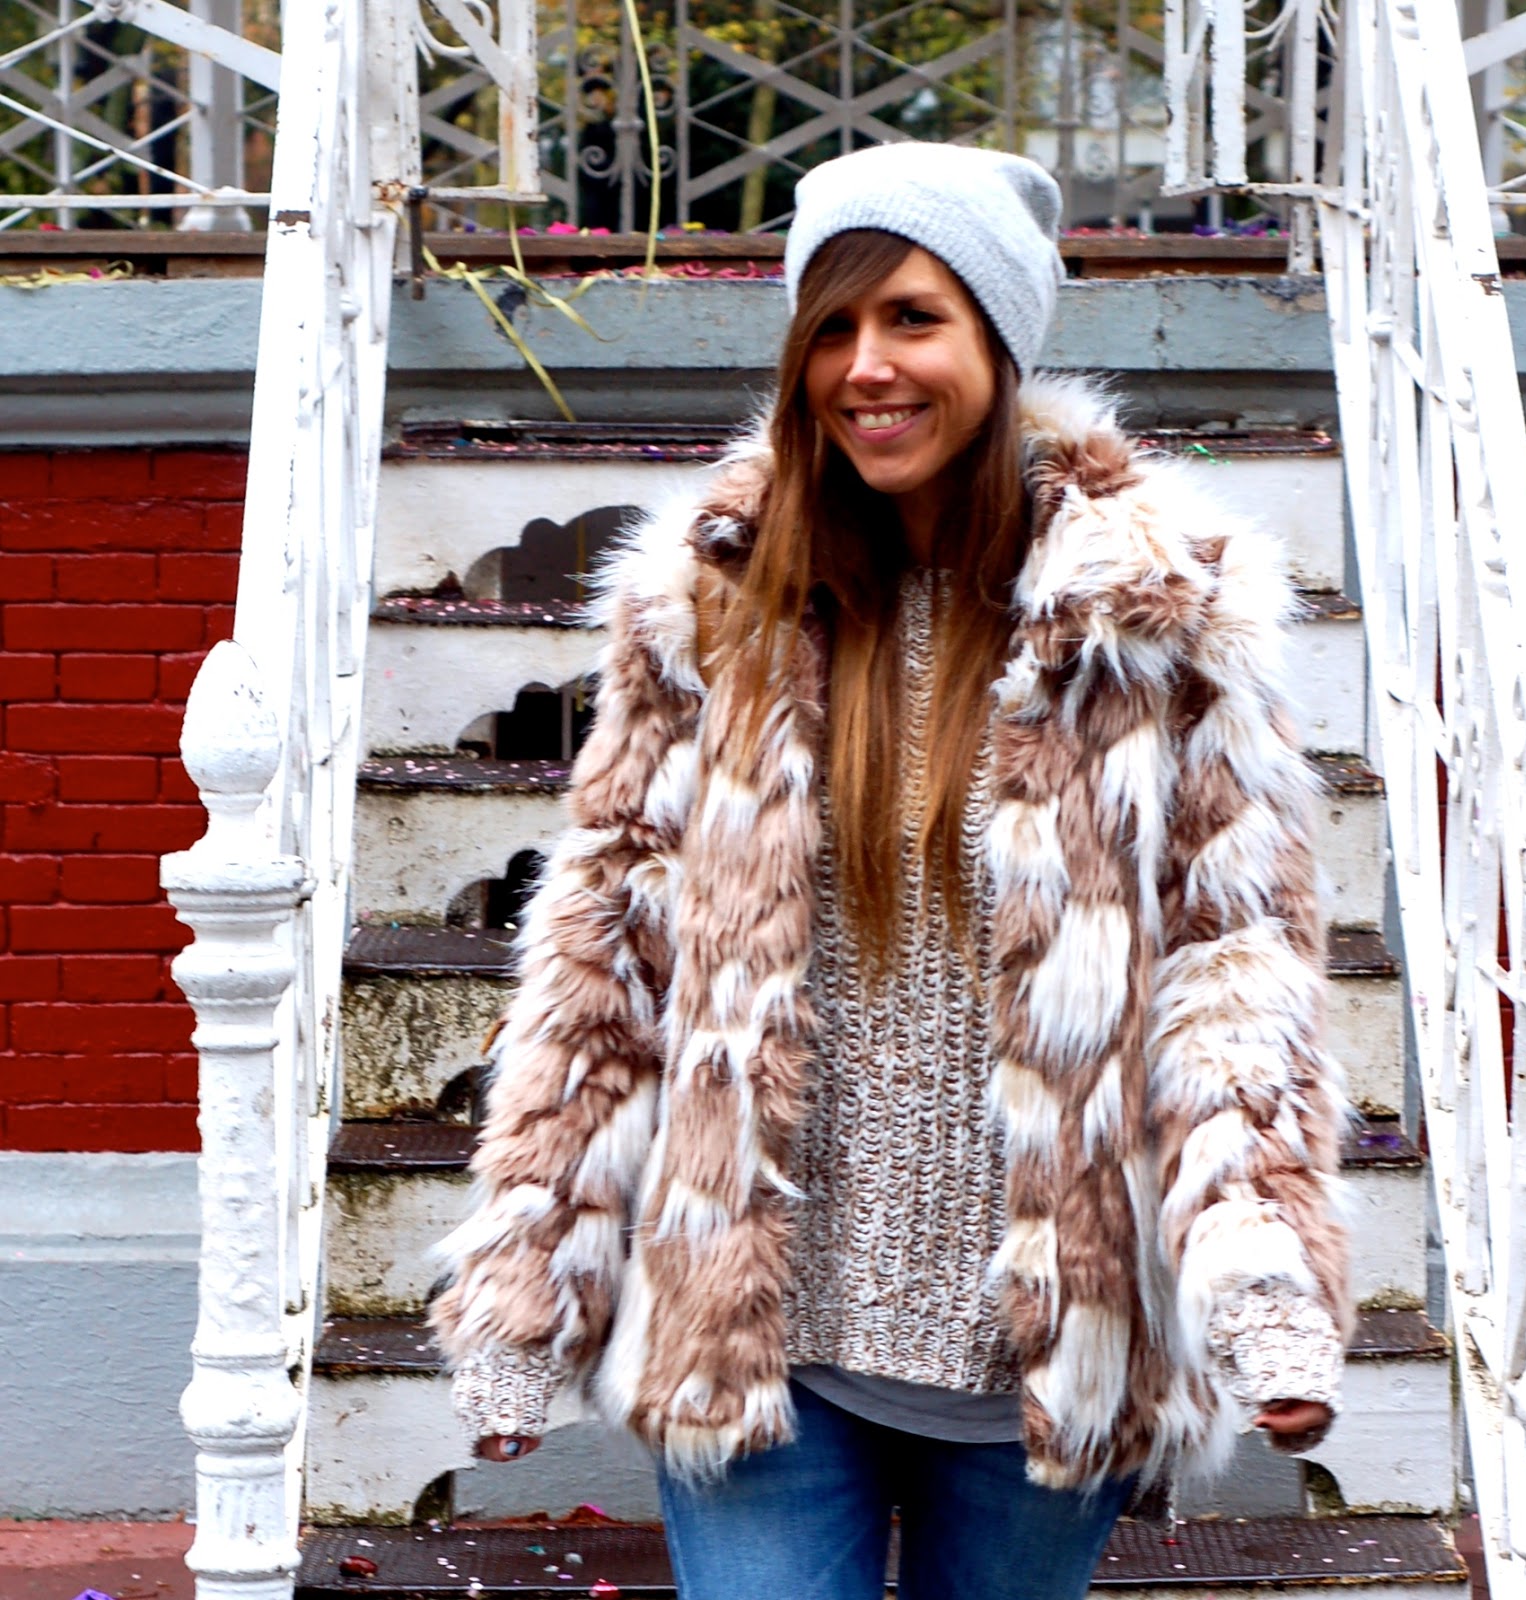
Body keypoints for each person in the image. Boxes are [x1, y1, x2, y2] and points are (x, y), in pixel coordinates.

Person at [428, 141, 1350, 1600]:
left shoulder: (1153, 617)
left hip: (1048, 1345)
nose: (866, 367)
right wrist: (528, 1282)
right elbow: (603, 953)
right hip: (759, 1338)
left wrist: (1264, 1279)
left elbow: (1233, 970)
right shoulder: (713, 599)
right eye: (833, 328)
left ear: (998, 341)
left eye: (915, 318)